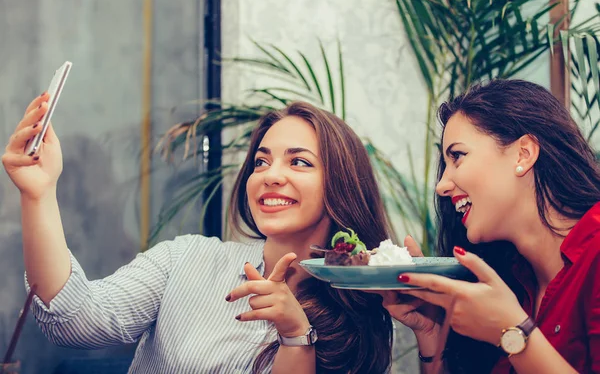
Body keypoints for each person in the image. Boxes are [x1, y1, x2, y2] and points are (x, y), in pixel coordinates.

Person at [1, 97, 393, 373]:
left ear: (340, 184)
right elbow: (76, 323)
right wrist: (38, 194)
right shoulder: (186, 258)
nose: (271, 174)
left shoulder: (358, 307)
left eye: (299, 162)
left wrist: (296, 335)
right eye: (261, 160)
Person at [382, 79, 600, 374]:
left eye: (457, 156)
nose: (442, 186)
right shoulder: (509, 278)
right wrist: (432, 332)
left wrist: (513, 333)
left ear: (523, 154)